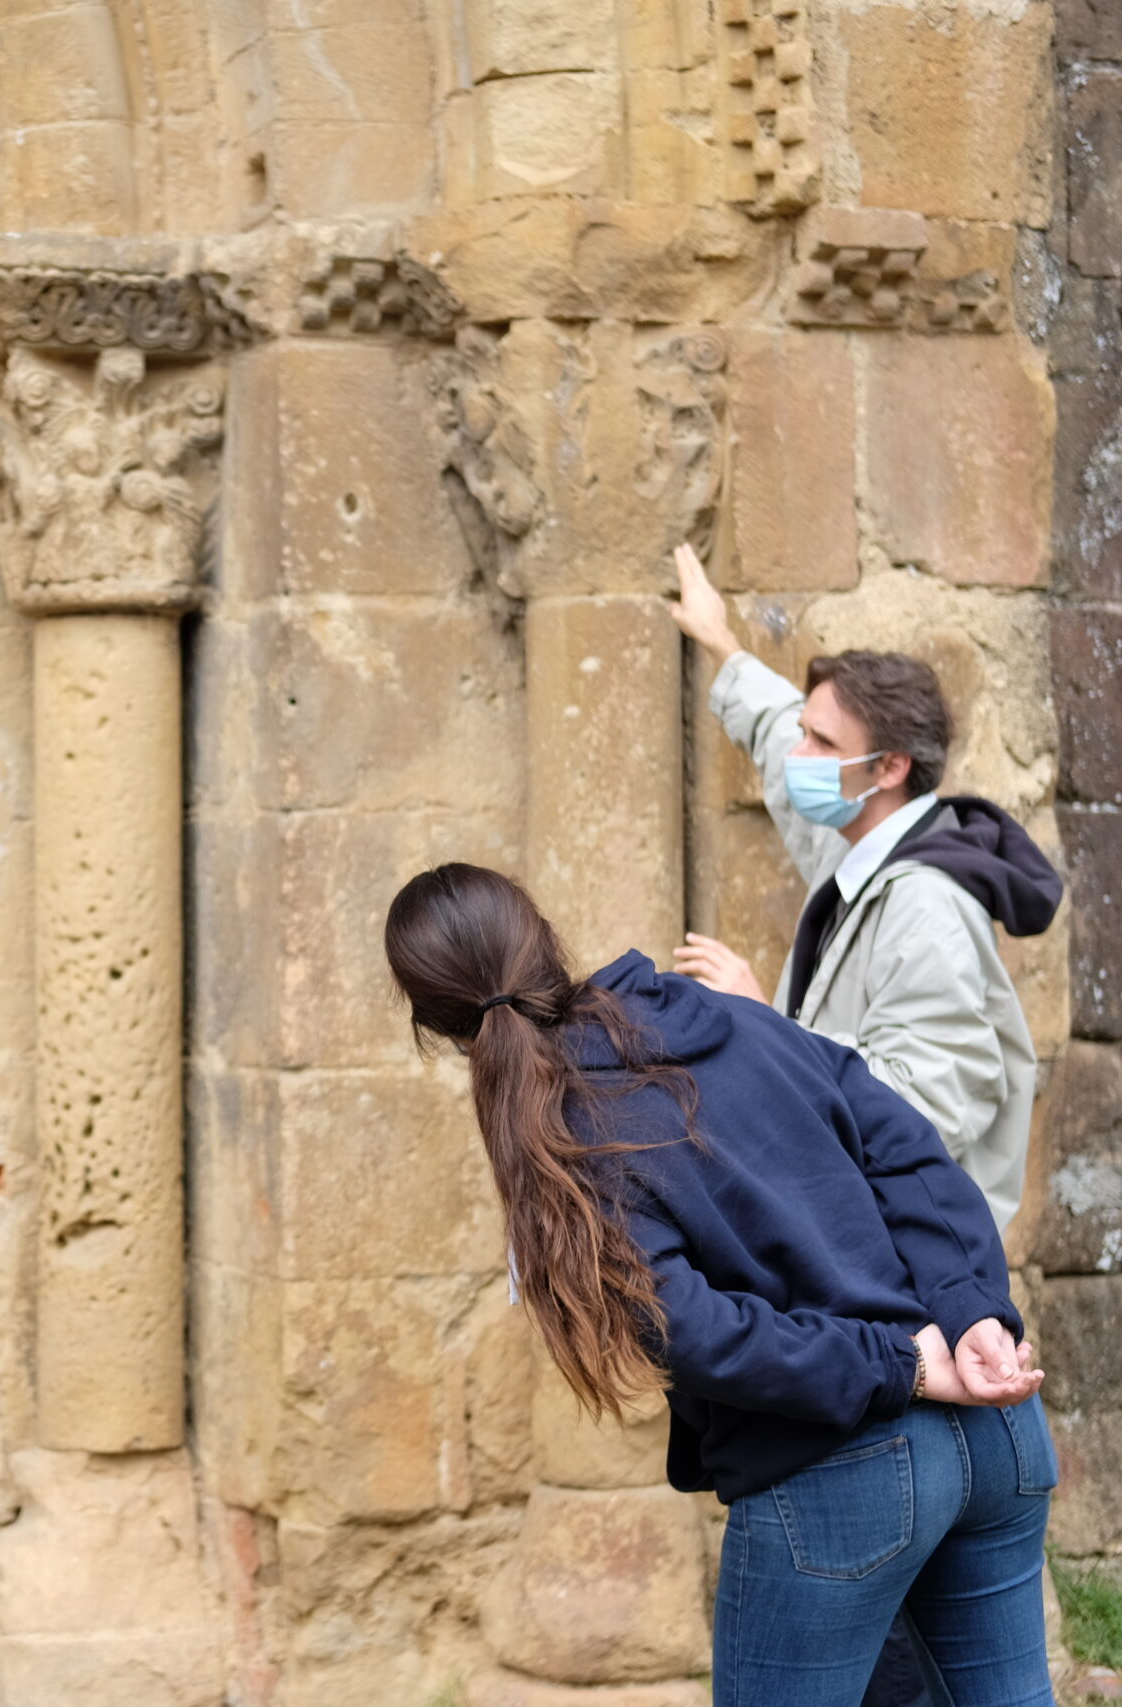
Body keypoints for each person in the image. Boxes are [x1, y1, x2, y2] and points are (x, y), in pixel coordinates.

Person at [385, 863, 1057, 1707]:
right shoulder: (736, 1020)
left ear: (434, 1023)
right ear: (542, 939)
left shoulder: (568, 1131)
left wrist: (914, 1359)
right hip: (1001, 1430)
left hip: (850, 1467)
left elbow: (693, 1329)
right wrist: (969, 1313)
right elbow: (912, 1152)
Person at [666, 545, 1061, 1232]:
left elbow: (927, 1109)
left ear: (890, 768)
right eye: (805, 734)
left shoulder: (926, 907)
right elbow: (773, 725)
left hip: (911, 1274)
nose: (799, 757)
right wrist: (720, 640)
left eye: (820, 742)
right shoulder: (862, 840)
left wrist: (761, 1020)